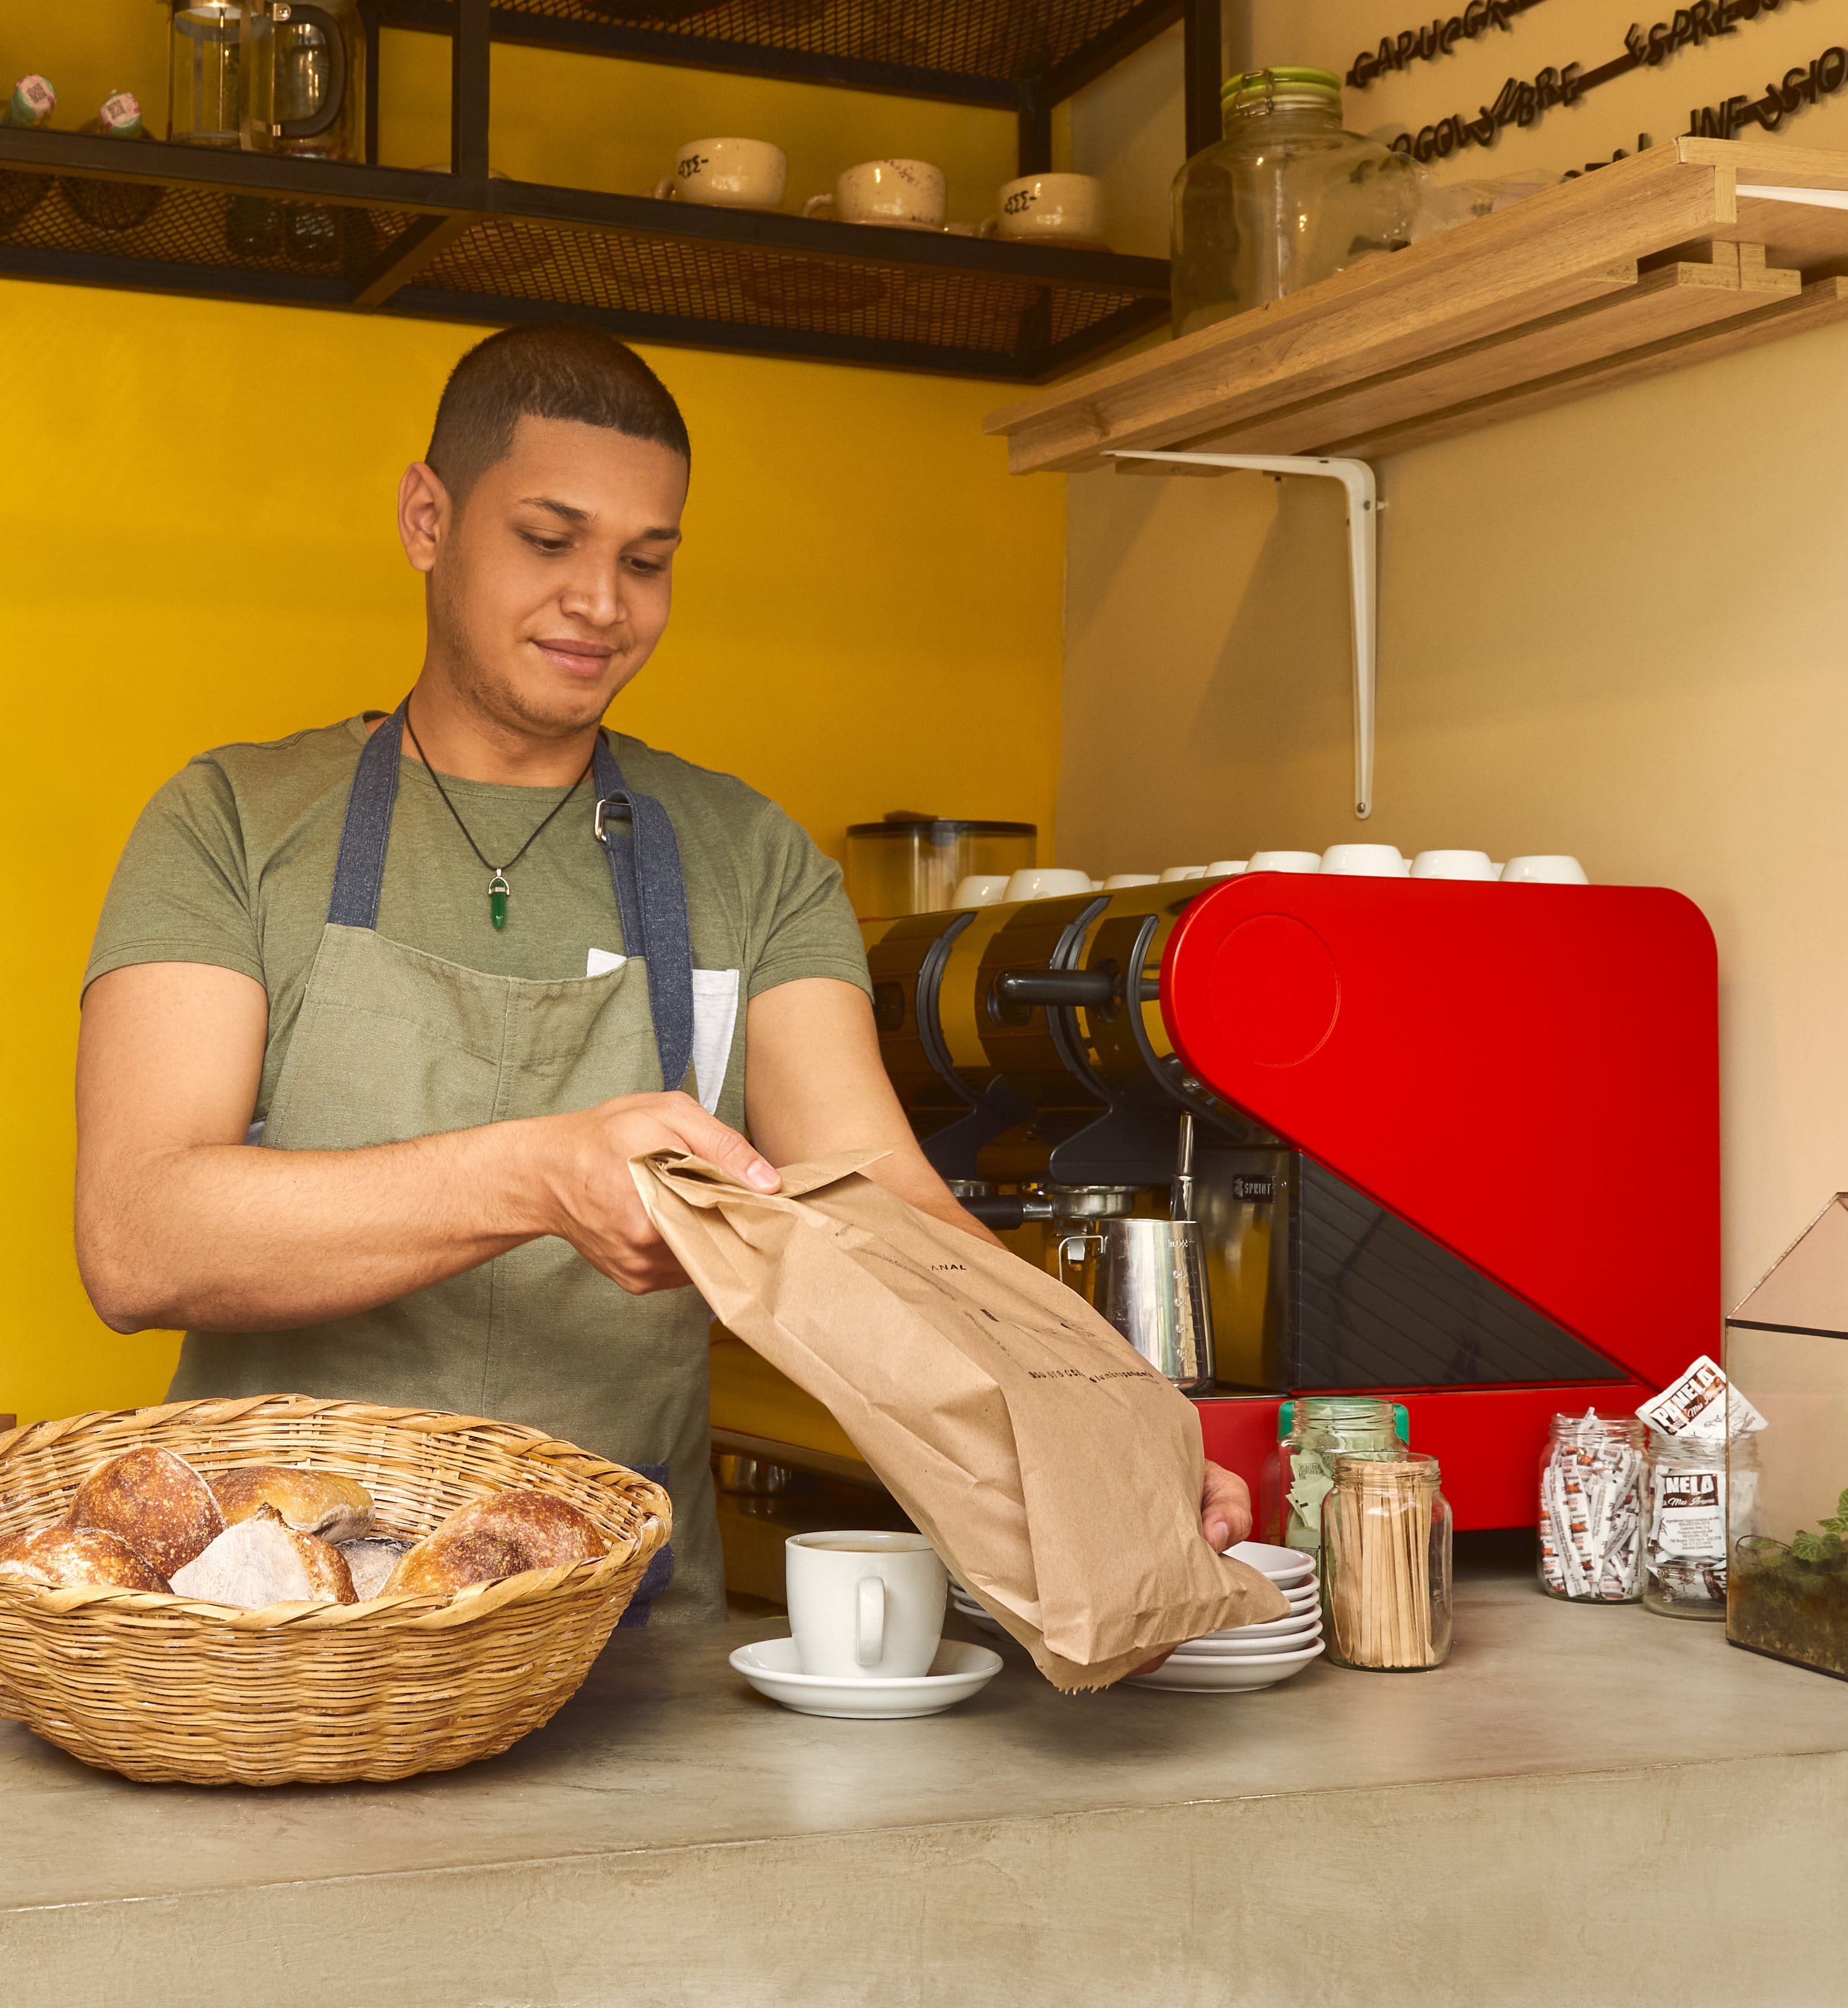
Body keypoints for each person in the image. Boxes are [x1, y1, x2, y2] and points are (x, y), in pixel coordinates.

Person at [73, 322, 1248, 1623]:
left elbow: (883, 1207)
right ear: (426, 516)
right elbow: (138, 1237)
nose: (600, 602)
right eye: (548, 539)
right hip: (273, 1628)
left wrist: (1109, 1411)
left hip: (619, 1636)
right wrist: (534, 1174)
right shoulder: (232, 821)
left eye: (646, 561)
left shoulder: (748, 857)